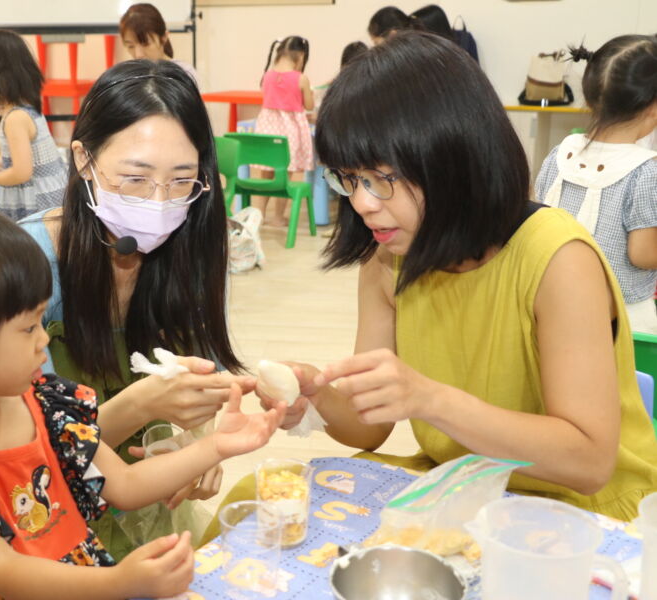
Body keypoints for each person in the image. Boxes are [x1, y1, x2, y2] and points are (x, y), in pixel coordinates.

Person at [208, 32, 657, 536]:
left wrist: (429, 399)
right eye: (349, 179)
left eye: (380, 178)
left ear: (453, 157)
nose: (361, 203)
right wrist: (316, 396)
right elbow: (369, 428)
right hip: (463, 486)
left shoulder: (557, 260)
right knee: (254, 501)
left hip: (579, 510)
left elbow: (587, 463)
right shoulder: (386, 261)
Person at [0, 169, 284, 599]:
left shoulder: (41, 401)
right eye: (28, 328)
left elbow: (126, 486)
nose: (45, 341)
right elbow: (3, 570)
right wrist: (120, 582)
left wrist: (216, 446)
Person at [18, 59, 251, 558]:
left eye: (182, 181)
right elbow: (29, 449)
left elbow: (202, 371)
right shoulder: (28, 262)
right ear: (83, 160)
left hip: (151, 500)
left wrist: (195, 441)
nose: (160, 203)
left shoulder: (195, 251)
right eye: (135, 178)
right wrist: (144, 404)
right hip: (43, 515)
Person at [536, 35, 657, 333]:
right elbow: (642, 254)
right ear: (653, 108)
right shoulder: (645, 171)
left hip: (553, 300)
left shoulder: (560, 153)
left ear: (590, 98)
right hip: (621, 314)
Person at [0, 30, 68, 221]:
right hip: (49, 196)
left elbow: (22, 172)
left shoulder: (15, 118)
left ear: (5, 75)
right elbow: (30, 156)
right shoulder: (24, 106)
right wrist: (5, 160)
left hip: (37, 205)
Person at [252, 36, 314, 228]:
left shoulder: (267, 76)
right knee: (287, 174)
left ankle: (258, 216)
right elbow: (309, 105)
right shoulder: (301, 79)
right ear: (300, 56)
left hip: (266, 130)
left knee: (265, 174)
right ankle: (278, 217)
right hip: (290, 132)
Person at [119, 3, 199, 86]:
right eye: (130, 46)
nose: (138, 55)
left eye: (146, 44)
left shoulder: (184, 73)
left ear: (164, 37)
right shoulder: (128, 78)